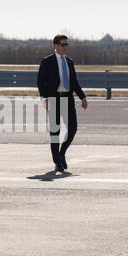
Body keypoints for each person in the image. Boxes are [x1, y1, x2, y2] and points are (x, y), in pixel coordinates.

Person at [37, 35, 88, 172]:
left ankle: (62, 153)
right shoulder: (47, 61)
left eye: (67, 44)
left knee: (73, 129)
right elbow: (40, 82)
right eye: (63, 44)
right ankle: (57, 162)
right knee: (55, 132)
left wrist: (82, 97)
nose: (65, 47)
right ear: (56, 45)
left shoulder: (69, 62)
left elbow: (74, 82)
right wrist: (44, 99)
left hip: (68, 99)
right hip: (53, 99)